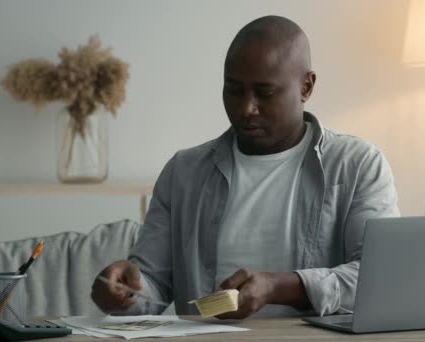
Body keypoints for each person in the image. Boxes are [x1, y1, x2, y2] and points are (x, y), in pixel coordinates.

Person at [91, 15, 399, 319]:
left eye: (264, 93)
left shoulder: (357, 166)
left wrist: (278, 287)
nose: (246, 108)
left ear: (306, 87)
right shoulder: (183, 172)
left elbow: (379, 280)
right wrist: (125, 293)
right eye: (234, 90)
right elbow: (152, 286)